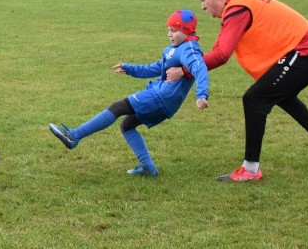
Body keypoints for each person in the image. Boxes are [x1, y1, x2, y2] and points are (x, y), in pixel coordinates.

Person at [166, 0, 308, 182]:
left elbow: (221, 55)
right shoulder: (238, 6)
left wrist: (184, 70)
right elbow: (219, 47)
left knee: (255, 98)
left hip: (307, 52)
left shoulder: (238, 8)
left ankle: (251, 169)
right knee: (280, 95)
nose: (202, 6)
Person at [48, 9, 209, 177]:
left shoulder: (189, 49)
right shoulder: (178, 47)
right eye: (168, 29)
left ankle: (74, 136)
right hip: (164, 100)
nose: (169, 34)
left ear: (187, 30)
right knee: (127, 125)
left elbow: (200, 68)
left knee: (118, 107)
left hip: (161, 97)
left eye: (174, 30)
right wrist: (131, 69)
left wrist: (201, 94)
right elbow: (156, 67)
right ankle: (148, 167)